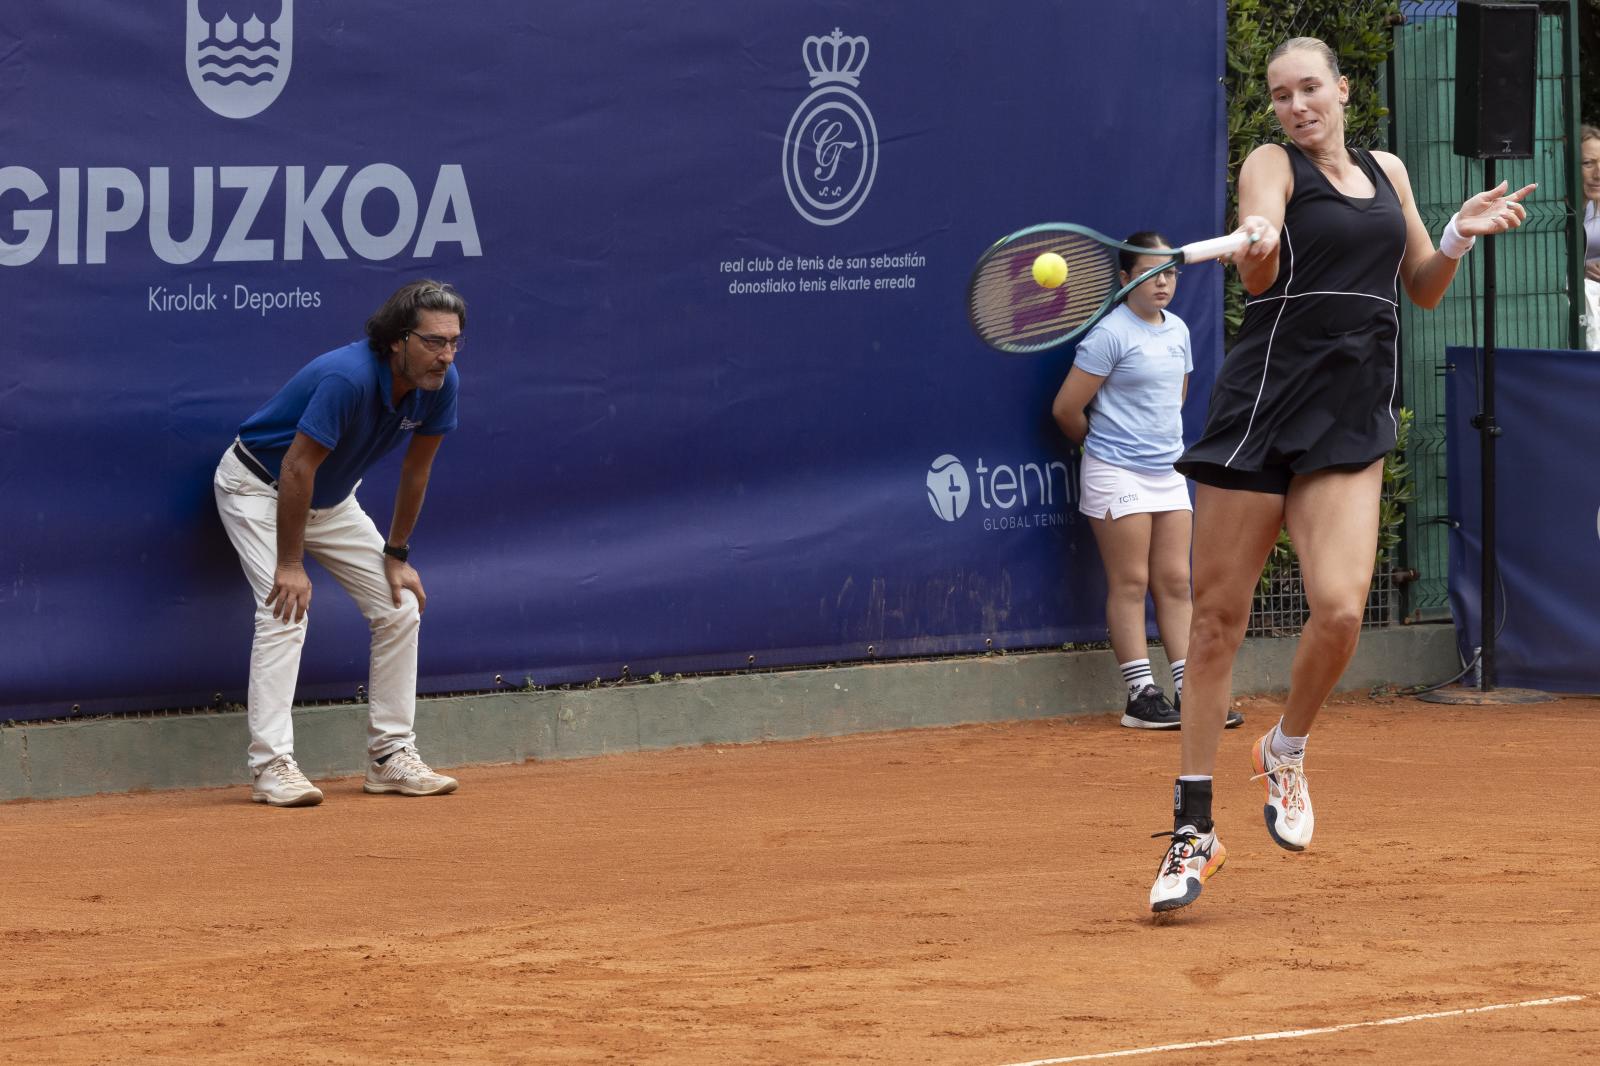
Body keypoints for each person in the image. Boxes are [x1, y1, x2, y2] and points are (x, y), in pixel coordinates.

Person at [1147, 37, 1533, 913]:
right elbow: (1263, 272)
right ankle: (1193, 831)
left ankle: (1285, 748)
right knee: (1216, 623)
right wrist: (1257, 243)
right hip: (1262, 408)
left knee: (1342, 610)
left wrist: (1457, 235)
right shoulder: (1269, 163)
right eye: (1282, 94)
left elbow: (1422, 286)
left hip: (1351, 411)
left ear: (1343, 89)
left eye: (1310, 88)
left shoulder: (1388, 170)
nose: (1297, 105)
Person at [213, 280, 467, 807]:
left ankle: (389, 755)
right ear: (397, 340)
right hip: (258, 488)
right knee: (285, 609)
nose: (445, 355)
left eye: (453, 342)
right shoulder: (347, 378)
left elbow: (417, 470)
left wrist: (396, 554)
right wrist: (290, 563)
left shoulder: (441, 383)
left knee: (399, 606)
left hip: (330, 501)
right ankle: (270, 765)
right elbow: (296, 467)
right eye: (433, 342)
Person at [1051, 233, 1243, 732]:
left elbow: (1175, 399)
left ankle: (1191, 691)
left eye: (1170, 273)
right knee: (1132, 581)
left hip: (1168, 471)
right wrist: (1108, 447)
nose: (1163, 282)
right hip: (1115, 471)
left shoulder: (1178, 329)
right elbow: (1067, 409)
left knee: (1176, 582)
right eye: (1150, 273)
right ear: (1124, 279)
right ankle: (1141, 696)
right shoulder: (1109, 334)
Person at [1580, 125, 1600, 349]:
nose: (1598, 174)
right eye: (1588, 163)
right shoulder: (1560, 209)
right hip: (1579, 295)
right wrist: (1581, 269)